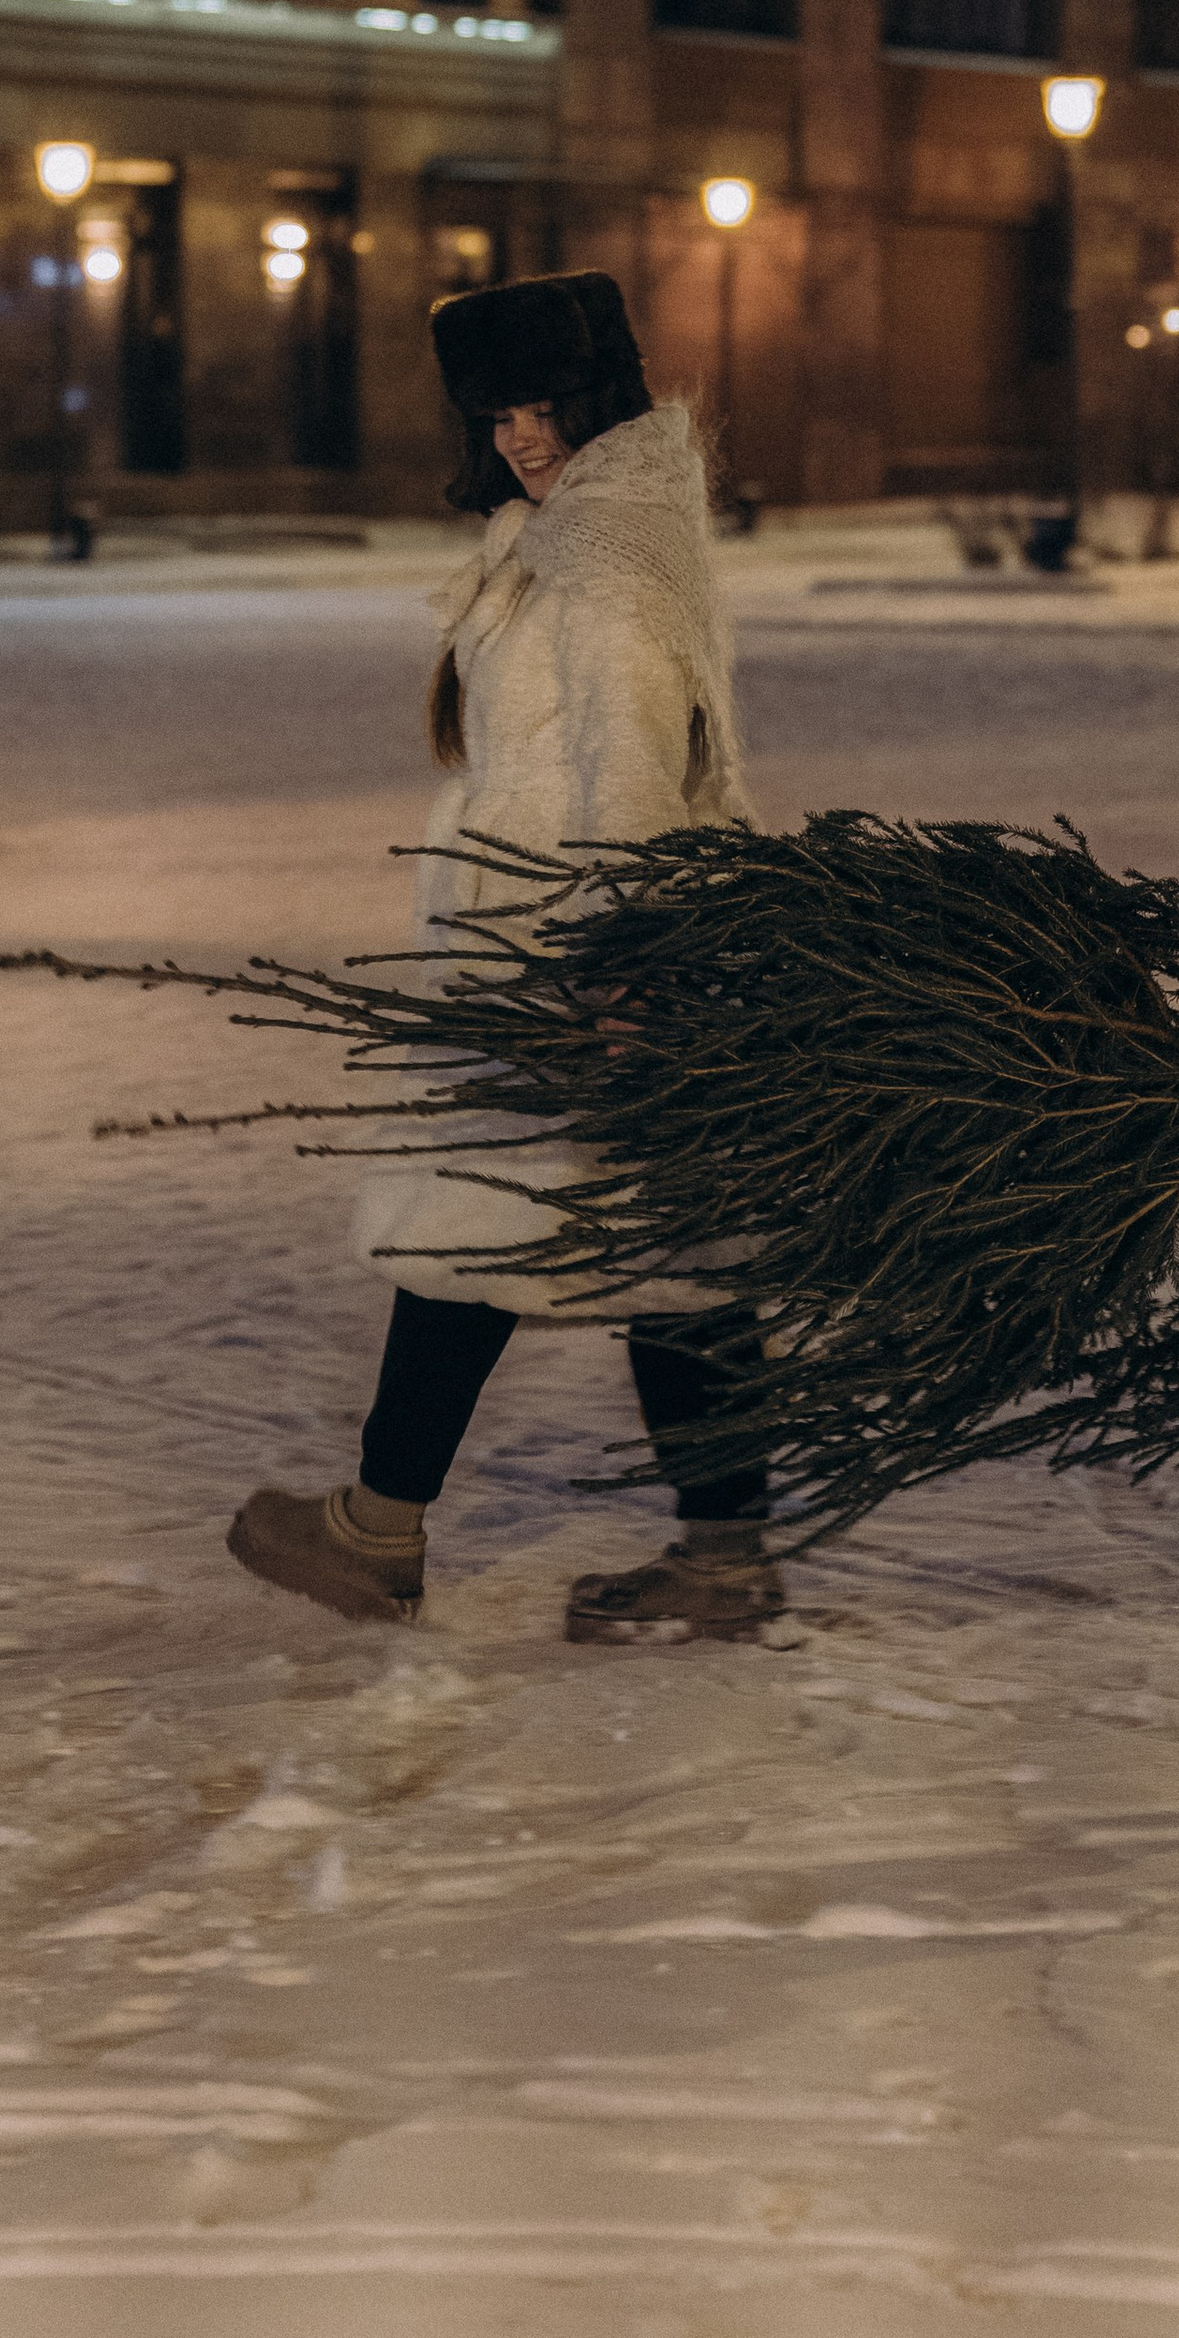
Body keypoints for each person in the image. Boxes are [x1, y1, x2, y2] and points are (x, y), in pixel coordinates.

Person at [228, 268, 781, 1644]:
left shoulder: (602, 556)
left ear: (602, 397)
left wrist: (621, 969)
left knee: (487, 1223)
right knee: (664, 1253)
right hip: (573, 952)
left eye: (548, 407)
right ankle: (711, 1552)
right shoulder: (580, 529)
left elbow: (636, 772)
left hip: (578, 960)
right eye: (501, 413)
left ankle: (381, 1526)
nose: (527, 437)